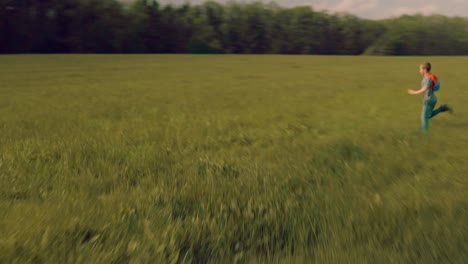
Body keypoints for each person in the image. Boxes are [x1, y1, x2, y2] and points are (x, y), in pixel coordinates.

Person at [408, 62, 452, 132]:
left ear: (425, 70)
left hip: (429, 99)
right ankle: (442, 108)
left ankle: (425, 133)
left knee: (423, 117)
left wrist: (414, 92)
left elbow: (424, 89)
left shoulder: (428, 79)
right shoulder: (427, 77)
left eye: (420, 69)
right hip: (431, 98)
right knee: (428, 115)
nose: (419, 71)